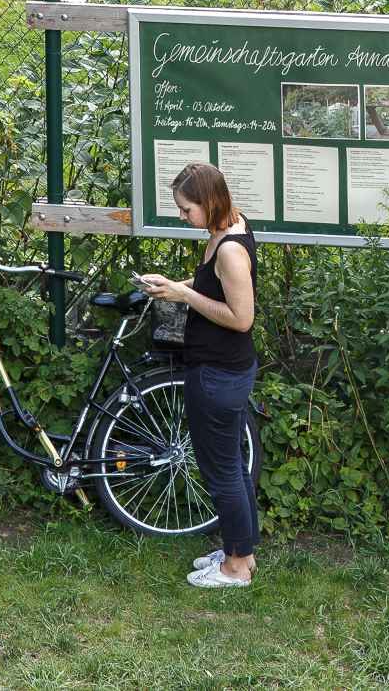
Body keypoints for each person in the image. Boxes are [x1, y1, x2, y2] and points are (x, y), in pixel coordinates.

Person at [138, 161, 259, 588]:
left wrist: (184, 293)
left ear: (209, 202)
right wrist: (175, 284)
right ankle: (238, 550)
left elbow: (241, 318)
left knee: (222, 470)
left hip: (219, 373)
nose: (183, 216)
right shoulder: (226, 230)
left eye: (187, 208)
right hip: (220, 370)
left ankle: (237, 567)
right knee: (233, 468)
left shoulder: (228, 249)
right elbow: (215, 286)